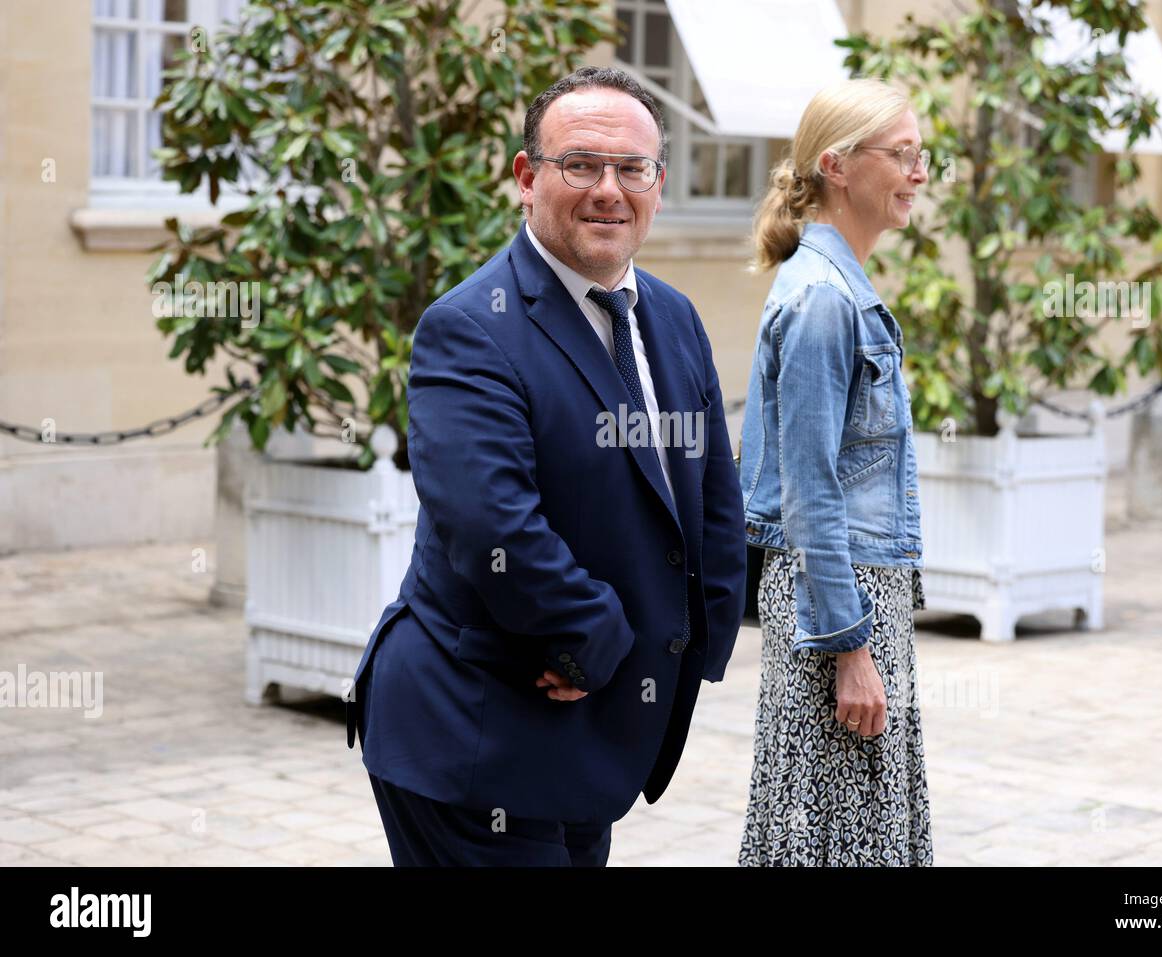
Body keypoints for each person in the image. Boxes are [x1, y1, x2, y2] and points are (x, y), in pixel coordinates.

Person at [345, 66, 748, 867]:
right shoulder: (469, 328)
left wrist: (699, 635)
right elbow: (493, 523)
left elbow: (708, 497)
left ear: (658, 185)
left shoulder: (671, 316)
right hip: (475, 733)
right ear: (527, 178)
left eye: (632, 168)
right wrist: (594, 639)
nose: (609, 189)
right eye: (581, 164)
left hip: (590, 730)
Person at [736, 77, 933, 866]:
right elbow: (810, 488)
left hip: (850, 591)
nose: (920, 173)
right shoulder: (823, 299)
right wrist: (852, 646)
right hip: (836, 604)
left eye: (925, 156)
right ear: (838, 166)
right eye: (904, 155)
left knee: (844, 831)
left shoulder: (839, 286)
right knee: (833, 837)